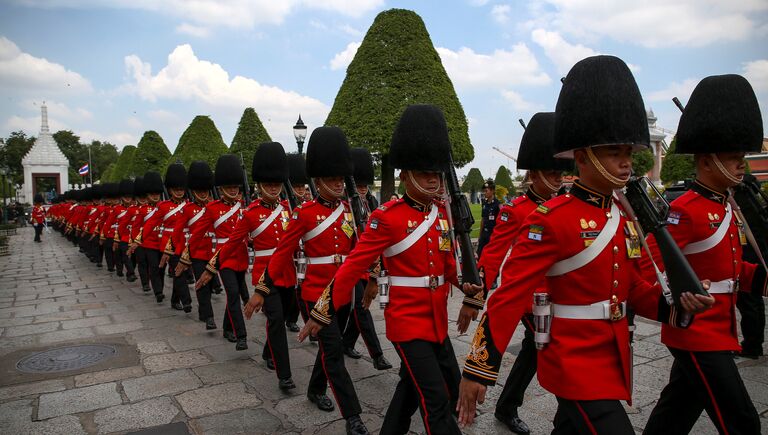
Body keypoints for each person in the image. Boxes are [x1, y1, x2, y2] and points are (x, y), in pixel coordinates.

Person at [456, 55, 714, 433]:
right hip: (571, 363)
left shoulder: (623, 218)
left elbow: (634, 290)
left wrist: (676, 306)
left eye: (628, 152)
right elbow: (509, 295)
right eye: (614, 152)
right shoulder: (551, 218)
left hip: (610, 362)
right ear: (582, 156)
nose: (627, 163)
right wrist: (479, 367)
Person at [298, 105, 482, 435]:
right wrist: (323, 311)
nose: (433, 177)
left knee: (409, 391)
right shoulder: (387, 217)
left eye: (436, 172)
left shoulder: (441, 214)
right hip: (407, 323)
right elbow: (354, 265)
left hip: (437, 321)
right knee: (437, 402)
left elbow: (448, 266)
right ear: (405, 174)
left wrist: (466, 286)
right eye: (423, 171)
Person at [641, 74, 766, 435]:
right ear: (708, 161)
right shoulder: (686, 210)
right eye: (733, 157)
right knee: (742, 421)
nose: (742, 163)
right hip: (695, 331)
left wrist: (762, 280)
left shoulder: (726, 205)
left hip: (716, 329)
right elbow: (652, 266)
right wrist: (677, 298)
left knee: (675, 414)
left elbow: (730, 268)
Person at [245, 127, 369, 435]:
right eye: (334, 179)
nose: (340, 183)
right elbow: (280, 255)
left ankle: (315, 389)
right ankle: (353, 416)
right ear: (318, 180)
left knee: (332, 347)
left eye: (342, 179)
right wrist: (261, 289)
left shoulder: (350, 211)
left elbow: (360, 252)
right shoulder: (303, 214)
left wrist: (369, 280)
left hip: (344, 292)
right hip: (316, 294)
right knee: (335, 352)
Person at [471, 112, 572, 434]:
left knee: (533, 350)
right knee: (543, 348)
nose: (557, 179)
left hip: (557, 297)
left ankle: (507, 404)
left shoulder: (567, 207)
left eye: (560, 173)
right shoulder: (515, 210)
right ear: (533, 174)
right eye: (551, 173)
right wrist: (480, 292)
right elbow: (493, 253)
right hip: (527, 298)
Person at [203, 142, 297, 390]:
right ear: (259, 186)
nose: (274, 188)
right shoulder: (250, 213)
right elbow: (232, 244)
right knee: (275, 319)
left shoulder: (289, 210)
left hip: (289, 273)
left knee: (284, 316)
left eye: (277, 184)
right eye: (269, 184)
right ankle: (284, 375)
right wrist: (211, 268)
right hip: (266, 275)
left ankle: (269, 352)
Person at [337, 147, 391, 371]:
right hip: (352, 264)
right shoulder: (343, 207)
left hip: (370, 266)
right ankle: (377, 355)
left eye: (363, 185)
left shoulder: (371, 204)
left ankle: (346, 342)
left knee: (360, 308)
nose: (361, 188)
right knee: (361, 308)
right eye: (357, 185)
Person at [192, 155, 250, 351]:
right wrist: (187, 255)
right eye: (230, 187)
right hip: (224, 257)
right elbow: (197, 233)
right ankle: (241, 335)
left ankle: (227, 327)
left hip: (241, 255)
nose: (234, 190)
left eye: (236, 186)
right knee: (233, 293)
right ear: (222, 188)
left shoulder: (244, 206)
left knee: (234, 295)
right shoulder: (212, 208)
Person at [174, 161, 219, 330]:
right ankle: (208, 316)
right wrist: (181, 254)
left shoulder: (215, 207)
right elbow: (178, 232)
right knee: (203, 284)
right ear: (193, 191)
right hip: (198, 251)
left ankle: (203, 311)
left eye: (205, 191)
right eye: (199, 191)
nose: (203, 194)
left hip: (213, 251)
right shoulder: (187, 209)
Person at [154, 163, 193, 312]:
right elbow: (153, 223)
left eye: (181, 189)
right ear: (170, 190)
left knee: (181, 272)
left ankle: (174, 299)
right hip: (170, 243)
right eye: (176, 189)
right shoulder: (163, 206)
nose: (179, 192)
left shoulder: (189, 205)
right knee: (178, 271)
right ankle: (186, 301)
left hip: (186, 242)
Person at [130, 171, 166, 302]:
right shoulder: (142, 209)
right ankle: (157, 291)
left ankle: (159, 287)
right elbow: (135, 227)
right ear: (147, 195)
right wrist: (136, 241)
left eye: (157, 194)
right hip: (148, 243)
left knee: (161, 268)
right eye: (152, 194)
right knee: (154, 266)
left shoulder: (165, 207)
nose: (155, 196)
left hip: (162, 242)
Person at [115, 179, 137, 282]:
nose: (128, 198)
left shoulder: (136, 208)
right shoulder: (117, 209)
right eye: (125, 196)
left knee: (134, 258)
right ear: (122, 197)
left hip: (134, 236)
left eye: (129, 196)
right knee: (125, 256)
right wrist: (116, 238)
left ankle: (129, 272)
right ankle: (131, 273)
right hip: (123, 236)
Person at [476, 179, 500, 257]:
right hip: (484, 234)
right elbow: (483, 219)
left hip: (492, 235)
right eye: (484, 191)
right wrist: (480, 235)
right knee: (479, 255)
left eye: (486, 191)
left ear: (492, 191)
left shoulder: (498, 205)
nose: (484, 193)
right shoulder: (484, 203)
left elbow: (500, 223)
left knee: (490, 256)